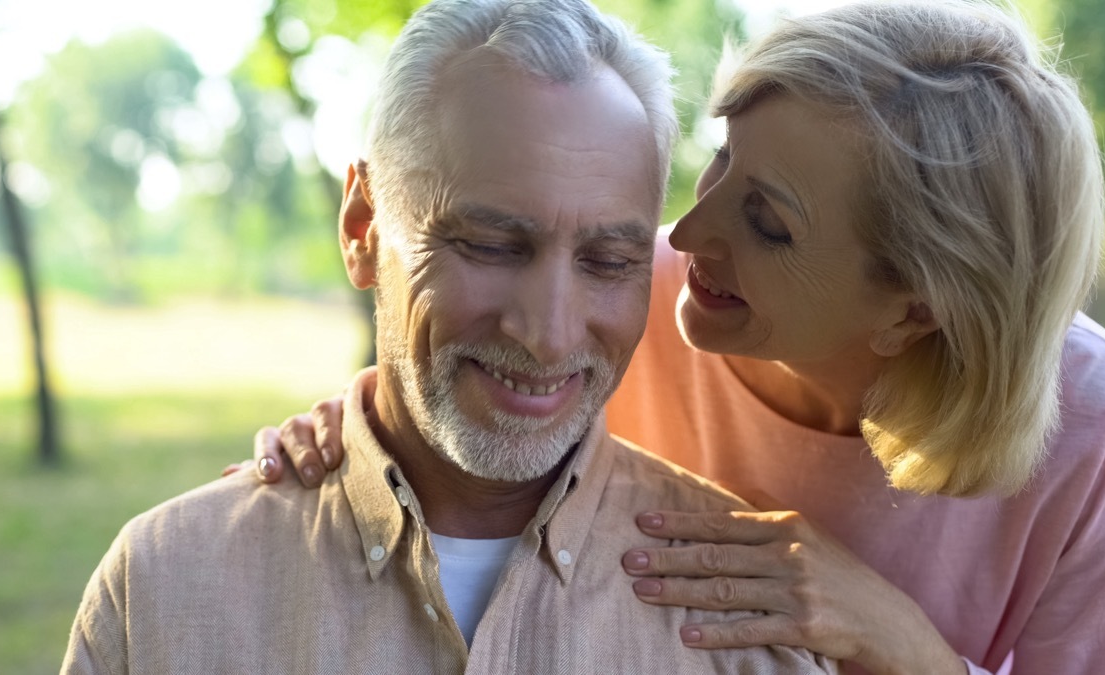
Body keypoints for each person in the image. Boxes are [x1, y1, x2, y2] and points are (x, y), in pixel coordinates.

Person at [241, 1, 1105, 674]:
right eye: (722, 159)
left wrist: (902, 643)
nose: (690, 231)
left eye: (768, 222)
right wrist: (360, 431)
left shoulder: (1095, 433)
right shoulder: (636, 290)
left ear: (911, 310)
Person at [61, 0, 839, 672]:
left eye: (610, 260)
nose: (548, 333)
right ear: (364, 226)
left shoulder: (757, 623)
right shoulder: (164, 584)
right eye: (492, 246)